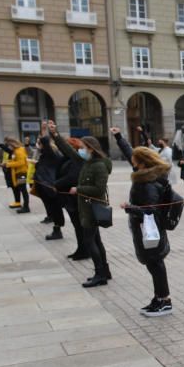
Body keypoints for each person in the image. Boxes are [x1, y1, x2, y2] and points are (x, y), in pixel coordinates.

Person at [50, 122, 112, 288]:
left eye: (83, 147)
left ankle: (100, 274)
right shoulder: (86, 161)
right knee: (96, 241)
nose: (80, 150)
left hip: (93, 207)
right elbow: (68, 150)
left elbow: (99, 189)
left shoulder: (99, 165)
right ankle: (105, 271)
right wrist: (55, 135)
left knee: (90, 241)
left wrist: (78, 189)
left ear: (91, 148)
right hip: (86, 206)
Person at [121, 147, 174, 316]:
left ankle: (164, 300)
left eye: (135, 159)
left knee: (155, 264)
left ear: (142, 162)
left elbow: (151, 210)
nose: (132, 161)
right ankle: (159, 297)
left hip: (150, 229)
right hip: (148, 229)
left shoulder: (147, 182)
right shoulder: (148, 176)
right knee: (154, 264)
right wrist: (119, 138)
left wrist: (130, 208)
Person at [54, 136, 88, 260]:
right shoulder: (67, 158)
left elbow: (72, 177)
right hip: (68, 195)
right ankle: (81, 248)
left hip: (74, 197)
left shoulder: (76, 160)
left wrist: (56, 183)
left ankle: (85, 250)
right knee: (77, 225)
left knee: (80, 225)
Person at [33, 130, 66, 239]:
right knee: (52, 208)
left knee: (55, 208)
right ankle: (56, 230)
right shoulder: (46, 154)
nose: (38, 145)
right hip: (44, 185)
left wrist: (46, 133)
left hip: (49, 185)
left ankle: (57, 230)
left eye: (40, 143)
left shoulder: (52, 153)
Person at [3, 136, 30, 213]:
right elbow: (16, 160)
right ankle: (25, 206)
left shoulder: (18, 151)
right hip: (20, 172)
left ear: (12, 144)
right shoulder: (18, 149)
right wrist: (8, 162)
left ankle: (26, 207)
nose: (8, 148)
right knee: (22, 189)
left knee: (23, 190)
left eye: (9, 146)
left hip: (21, 173)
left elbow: (21, 163)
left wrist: (8, 164)